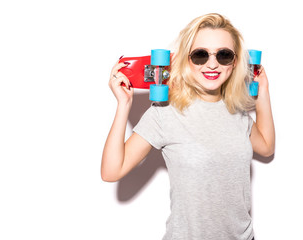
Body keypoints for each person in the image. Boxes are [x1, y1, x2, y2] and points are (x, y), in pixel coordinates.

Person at [101, 13, 275, 240]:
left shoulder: (236, 110)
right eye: (200, 55)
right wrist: (124, 105)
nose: (212, 64)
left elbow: (266, 147)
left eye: (223, 55)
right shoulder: (164, 113)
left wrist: (263, 92)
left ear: (234, 62)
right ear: (186, 60)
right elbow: (111, 171)